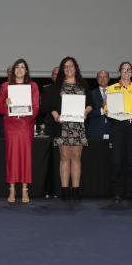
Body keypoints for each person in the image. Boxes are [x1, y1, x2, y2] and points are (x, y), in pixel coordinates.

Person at [0, 58, 40, 203]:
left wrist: (27, 115)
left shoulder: (32, 86)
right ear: (13, 70)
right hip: (11, 126)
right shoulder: (6, 86)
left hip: (26, 125)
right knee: (12, 157)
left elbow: (36, 107)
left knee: (26, 157)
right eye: (17, 67)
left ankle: (25, 190)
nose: (20, 69)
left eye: (22, 67)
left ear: (26, 71)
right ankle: (12, 189)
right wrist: (5, 103)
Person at [49, 57, 92, 202]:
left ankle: (76, 191)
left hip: (78, 126)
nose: (68, 69)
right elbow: (52, 106)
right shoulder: (58, 85)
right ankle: (65, 191)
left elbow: (91, 103)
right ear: (62, 69)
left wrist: (85, 111)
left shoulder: (83, 83)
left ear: (76, 67)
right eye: (65, 66)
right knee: (64, 158)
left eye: (71, 66)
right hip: (63, 126)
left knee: (76, 158)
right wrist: (56, 117)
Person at [106, 62, 132, 204]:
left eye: (129, 70)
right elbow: (106, 107)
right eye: (123, 70)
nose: (126, 72)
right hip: (117, 126)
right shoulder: (111, 88)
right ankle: (117, 194)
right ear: (119, 72)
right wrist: (108, 111)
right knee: (117, 161)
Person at [87, 70, 111, 139]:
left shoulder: (115, 93)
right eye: (100, 77)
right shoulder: (90, 94)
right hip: (95, 131)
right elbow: (87, 113)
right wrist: (102, 110)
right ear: (97, 80)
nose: (102, 79)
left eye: (105, 77)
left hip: (112, 130)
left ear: (108, 79)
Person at [39, 66, 60, 138]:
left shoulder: (69, 90)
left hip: (66, 125)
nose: (57, 76)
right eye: (55, 74)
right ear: (52, 77)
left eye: (59, 74)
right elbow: (43, 109)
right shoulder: (46, 89)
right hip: (51, 125)